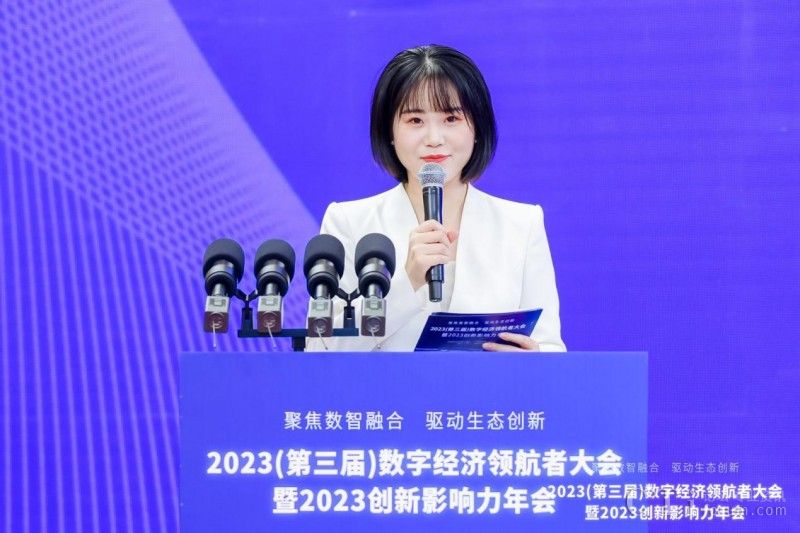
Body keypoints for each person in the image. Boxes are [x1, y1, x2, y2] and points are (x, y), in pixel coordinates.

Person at [306, 45, 565, 352]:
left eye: (451, 119)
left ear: (477, 129)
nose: (434, 138)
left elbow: (550, 349)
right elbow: (321, 350)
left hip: (489, 387)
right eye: (415, 120)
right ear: (390, 133)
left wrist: (532, 362)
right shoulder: (350, 222)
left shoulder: (521, 224)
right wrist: (407, 281)